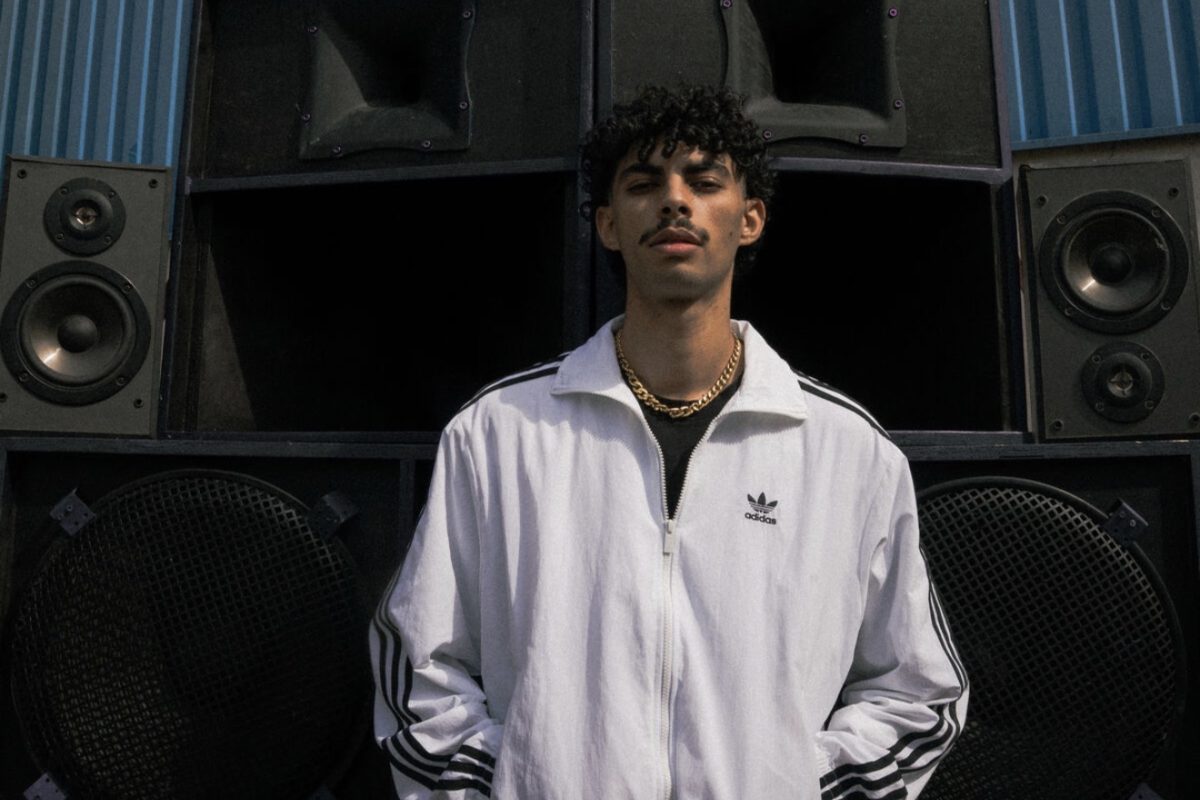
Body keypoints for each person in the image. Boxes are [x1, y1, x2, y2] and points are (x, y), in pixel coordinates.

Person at [370, 85, 967, 800]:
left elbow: (918, 693)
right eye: (644, 184)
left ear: (749, 219)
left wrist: (806, 787)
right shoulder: (498, 432)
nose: (674, 201)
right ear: (608, 225)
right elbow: (419, 663)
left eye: (704, 182)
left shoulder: (849, 452)